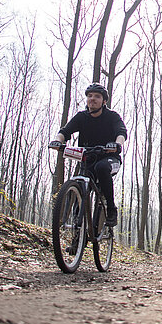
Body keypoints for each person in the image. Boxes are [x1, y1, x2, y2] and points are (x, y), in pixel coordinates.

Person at [48, 82, 127, 226]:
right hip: (88, 160)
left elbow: (121, 133)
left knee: (101, 168)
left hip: (110, 159)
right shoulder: (81, 117)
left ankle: (111, 209)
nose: (92, 99)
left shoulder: (112, 116)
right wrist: (57, 141)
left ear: (104, 101)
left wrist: (117, 144)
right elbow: (65, 131)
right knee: (80, 184)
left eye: (97, 96)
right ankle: (79, 233)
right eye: (90, 96)